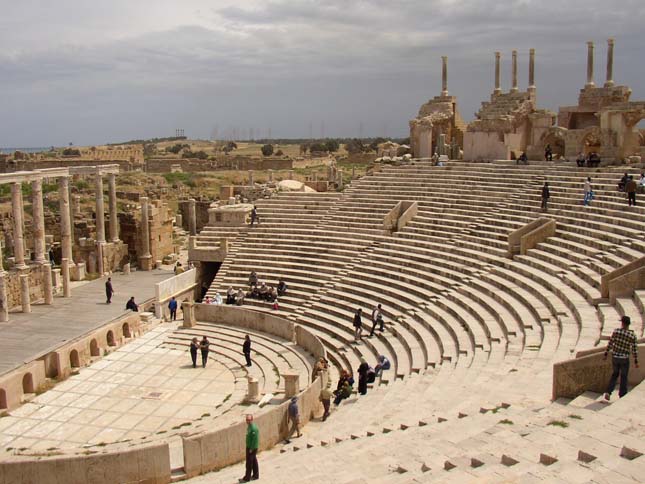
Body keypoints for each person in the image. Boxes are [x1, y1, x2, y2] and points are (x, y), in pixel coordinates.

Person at [603, 316, 639, 401]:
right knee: (624, 376)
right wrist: (636, 361)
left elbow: (610, 343)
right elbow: (634, 349)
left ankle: (608, 392)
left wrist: (606, 354)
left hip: (615, 357)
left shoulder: (616, 332)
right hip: (624, 358)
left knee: (615, 374)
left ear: (622, 323)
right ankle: (622, 394)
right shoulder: (632, 335)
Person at [242, 414, 259, 482]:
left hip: (252, 448)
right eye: (247, 420)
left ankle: (247, 478)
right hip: (249, 446)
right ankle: (256, 475)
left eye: (249, 420)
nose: (248, 421)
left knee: (249, 463)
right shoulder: (249, 426)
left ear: (252, 420)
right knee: (254, 461)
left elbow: (255, 439)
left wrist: (251, 449)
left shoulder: (253, 428)